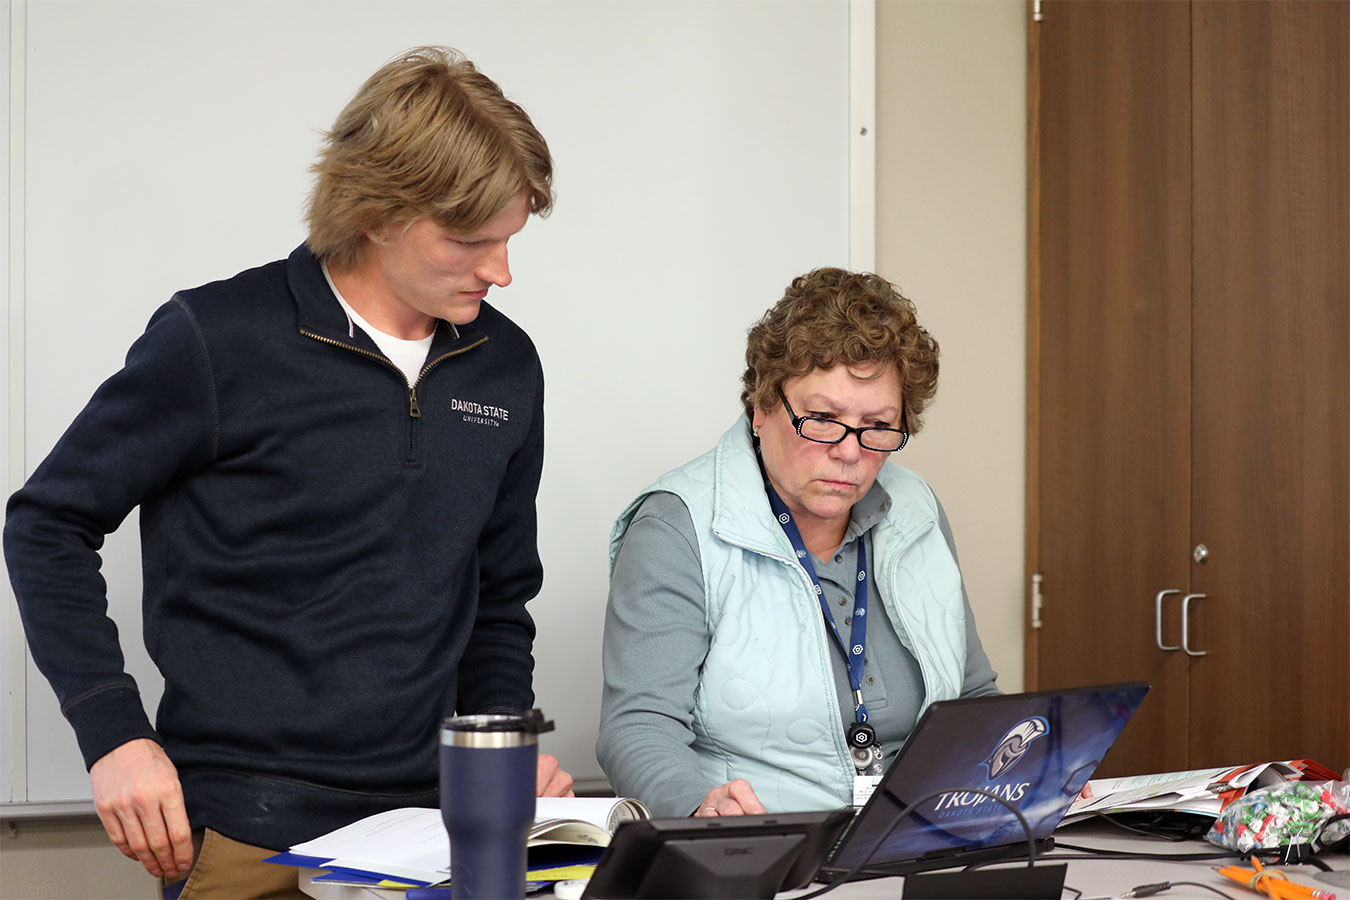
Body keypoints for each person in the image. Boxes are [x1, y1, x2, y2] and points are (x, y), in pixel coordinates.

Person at [4, 46, 572, 896]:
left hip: (431, 832)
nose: (501, 271)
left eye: (509, 238)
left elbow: (498, 594)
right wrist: (112, 733)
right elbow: (47, 523)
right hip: (245, 828)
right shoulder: (217, 338)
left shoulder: (505, 363)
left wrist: (501, 754)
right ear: (378, 212)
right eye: (470, 240)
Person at [597, 268, 1001, 818]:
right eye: (823, 419)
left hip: (920, 836)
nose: (850, 452)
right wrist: (696, 807)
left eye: (878, 425)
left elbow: (973, 699)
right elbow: (640, 725)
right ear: (763, 409)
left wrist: (1037, 766)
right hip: (766, 846)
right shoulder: (677, 525)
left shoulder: (916, 509)